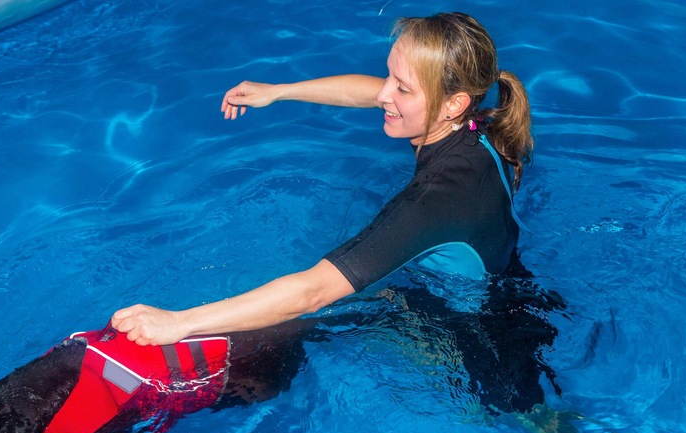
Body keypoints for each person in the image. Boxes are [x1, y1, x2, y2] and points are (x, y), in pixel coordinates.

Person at [111, 12, 532, 346]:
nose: (384, 94)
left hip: (478, 337)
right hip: (504, 281)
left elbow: (313, 291)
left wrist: (178, 323)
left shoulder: (433, 200)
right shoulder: (472, 125)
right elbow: (364, 91)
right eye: (390, 76)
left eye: (401, 88)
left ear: (453, 104)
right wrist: (278, 91)